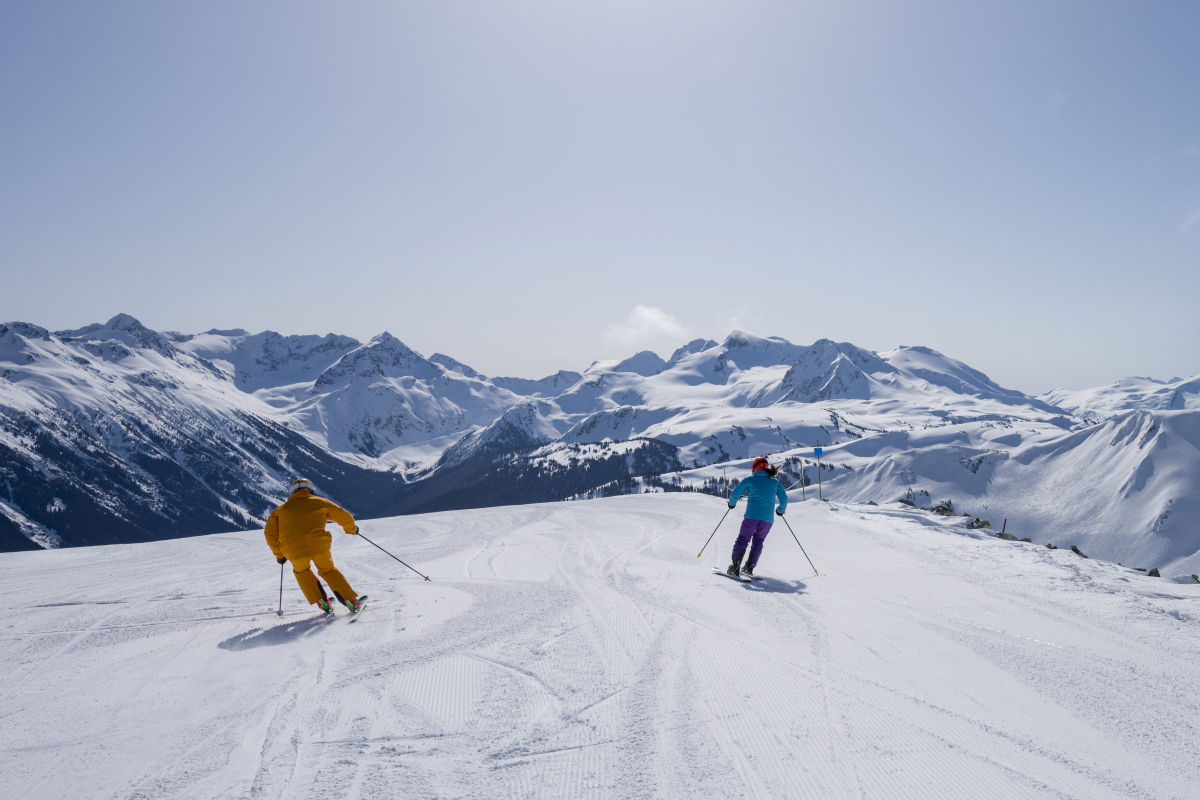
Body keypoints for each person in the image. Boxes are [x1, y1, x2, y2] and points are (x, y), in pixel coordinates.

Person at [265, 478, 364, 615]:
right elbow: (343, 516)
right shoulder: (320, 502)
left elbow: (269, 533)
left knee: (302, 572)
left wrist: (280, 554)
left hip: (293, 550)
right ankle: (352, 602)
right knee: (328, 570)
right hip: (318, 546)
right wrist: (351, 529)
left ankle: (322, 601)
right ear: (310, 490)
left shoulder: (280, 510)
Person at [726, 457, 788, 577]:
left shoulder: (750, 479)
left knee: (743, 539)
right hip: (768, 520)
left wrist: (731, 504)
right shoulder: (775, 482)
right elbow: (784, 499)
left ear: (755, 468)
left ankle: (735, 567)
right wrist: (780, 511)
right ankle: (749, 567)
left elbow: (735, 493)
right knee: (758, 541)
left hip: (751, 516)